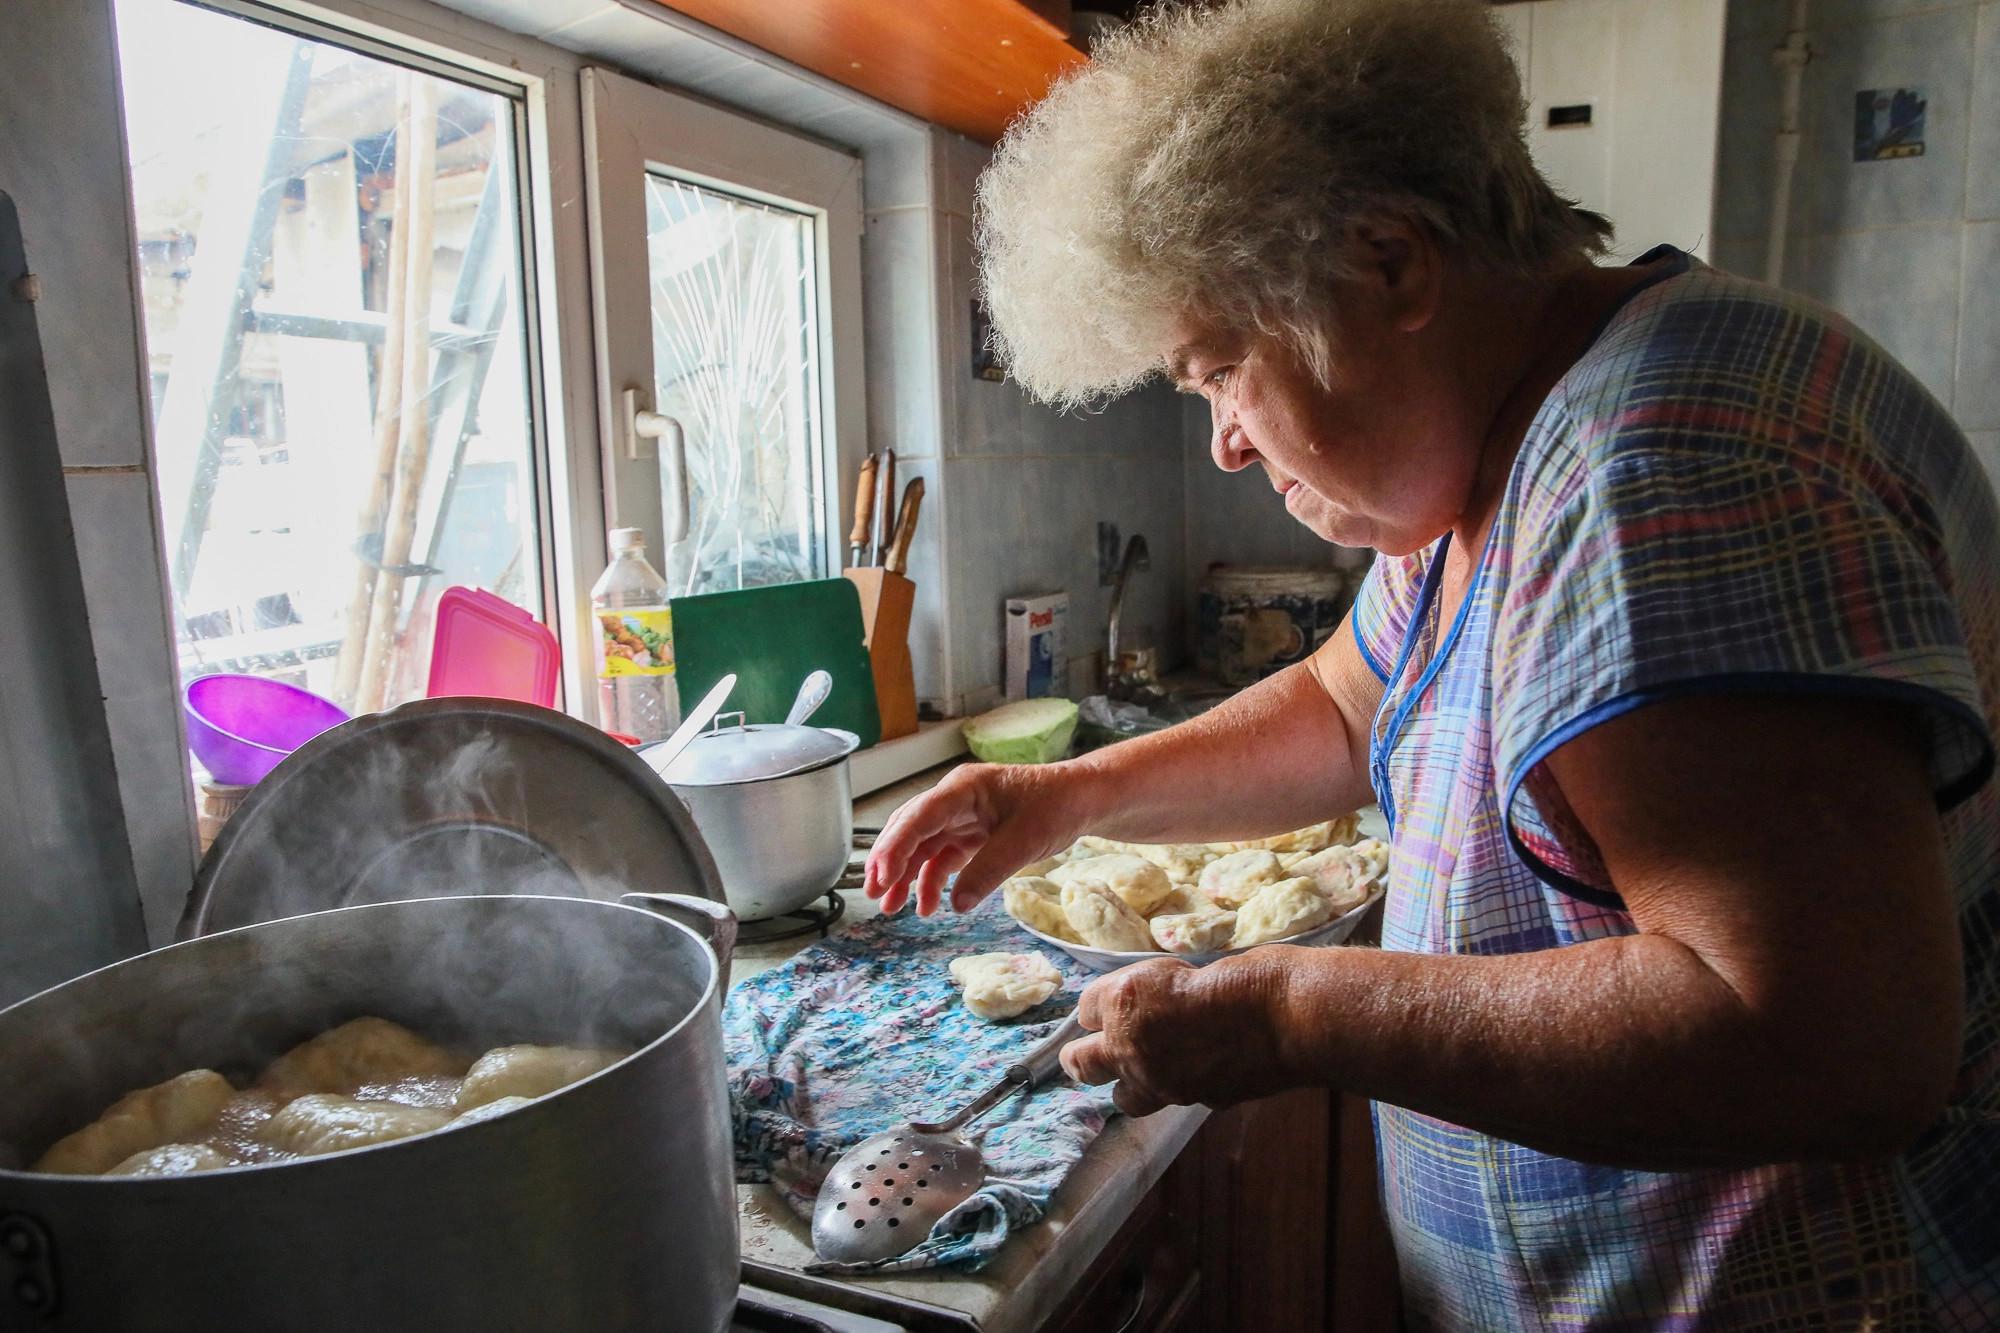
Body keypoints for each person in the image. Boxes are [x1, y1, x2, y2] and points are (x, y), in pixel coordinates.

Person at [861, 0, 2000, 1327]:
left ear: (1393, 263)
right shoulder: (1496, 454)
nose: (1226, 440)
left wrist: (1286, 1014)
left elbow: (1821, 1042)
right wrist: (1071, 796)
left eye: (1221, 369)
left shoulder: (1659, 470)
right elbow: (1350, 702)